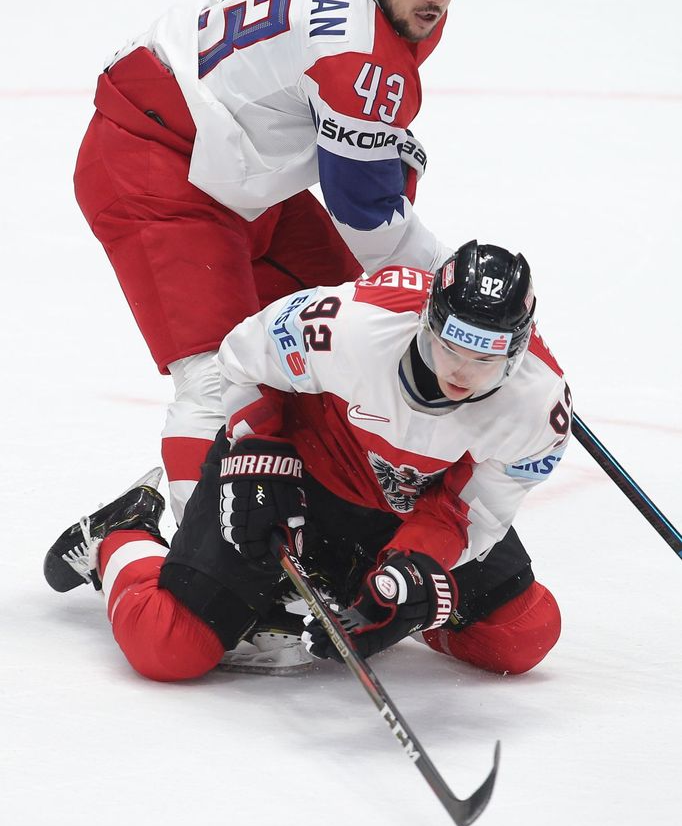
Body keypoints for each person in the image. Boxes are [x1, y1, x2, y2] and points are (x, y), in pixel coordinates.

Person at [74, 0, 483, 523]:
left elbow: (347, 141)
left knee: (352, 336)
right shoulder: (358, 53)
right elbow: (369, 222)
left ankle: (314, 515)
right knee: (216, 381)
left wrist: (380, 151)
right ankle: (206, 572)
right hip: (156, 162)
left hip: (236, 166)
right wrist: (456, 289)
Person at [44, 240, 570, 682]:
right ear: (426, 321)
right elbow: (241, 360)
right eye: (449, 348)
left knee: (523, 635)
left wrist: (410, 580)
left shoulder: (539, 408)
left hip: (408, 511)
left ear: (517, 350)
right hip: (297, 477)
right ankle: (122, 530)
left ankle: (356, 594)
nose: (460, 373)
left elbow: (470, 514)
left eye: (485, 359)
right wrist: (256, 448)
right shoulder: (349, 326)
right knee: (168, 644)